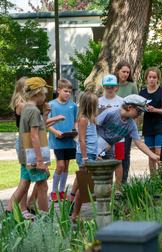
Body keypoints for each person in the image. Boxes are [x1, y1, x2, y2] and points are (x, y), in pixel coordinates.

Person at [6, 77, 51, 214]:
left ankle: (7, 217)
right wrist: (39, 160)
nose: (45, 96)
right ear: (37, 93)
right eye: (43, 93)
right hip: (33, 156)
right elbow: (34, 136)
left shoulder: (27, 108)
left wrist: (45, 114)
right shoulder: (33, 110)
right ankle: (45, 220)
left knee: (23, 185)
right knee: (42, 186)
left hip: (26, 155)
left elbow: (37, 128)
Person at [96, 94, 159, 164]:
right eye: (139, 111)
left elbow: (139, 143)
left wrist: (153, 155)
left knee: (109, 168)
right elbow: (93, 125)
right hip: (97, 143)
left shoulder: (131, 125)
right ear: (129, 107)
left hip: (110, 147)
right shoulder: (110, 113)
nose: (140, 114)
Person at [70, 91, 99, 222]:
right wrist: (86, 158)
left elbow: (92, 139)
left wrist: (95, 155)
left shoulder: (92, 119)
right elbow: (82, 140)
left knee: (85, 186)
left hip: (91, 154)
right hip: (84, 155)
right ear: (90, 105)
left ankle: (75, 211)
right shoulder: (83, 120)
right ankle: (75, 214)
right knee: (83, 186)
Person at [48, 79, 78, 202]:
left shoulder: (73, 105)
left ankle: (61, 191)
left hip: (69, 140)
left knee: (66, 166)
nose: (67, 94)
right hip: (57, 140)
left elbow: (75, 120)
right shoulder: (51, 105)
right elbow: (47, 124)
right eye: (65, 91)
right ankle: (53, 191)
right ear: (58, 90)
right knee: (60, 165)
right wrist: (56, 132)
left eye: (70, 92)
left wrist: (75, 130)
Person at [139, 67, 162, 174]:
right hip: (147, 126)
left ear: (158, 79)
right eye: (150, 77)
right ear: (146, 78)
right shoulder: (142, 93)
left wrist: (155, 110)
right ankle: (154, 180)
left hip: (160, 125)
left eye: (154, 77)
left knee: (160, 153)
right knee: (150, 154)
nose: (152, 79)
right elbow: (138, 110)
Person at [98, 74, 125, 187]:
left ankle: (118, 189)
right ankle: (106, 188)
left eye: (112, 86)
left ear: (116, 87)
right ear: (103, 87)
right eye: (107, 86)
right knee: (103, 162)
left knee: (118, 162)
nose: (110, 89)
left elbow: (125, 121)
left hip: (119, 138)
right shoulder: (98, 101)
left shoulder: (122, 101)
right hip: (102, 138)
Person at [114, 60, 138, 183]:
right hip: (113, 125)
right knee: (113, 154)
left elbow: (137, 106)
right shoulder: (112, 85)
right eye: (123, 71)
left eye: (128, 72)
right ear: (118, 71)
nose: (125, 74)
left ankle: (123, 182)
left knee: (125, 154)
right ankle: (113, 182)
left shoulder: (132, 86)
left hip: (127, 124)